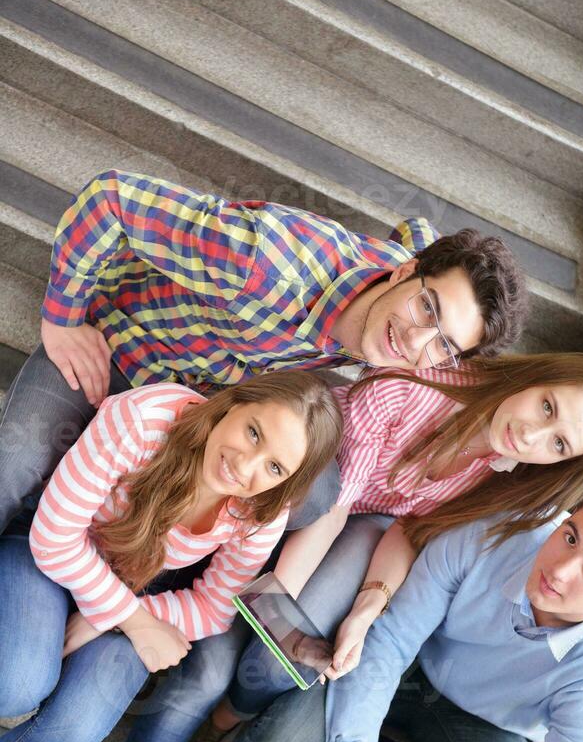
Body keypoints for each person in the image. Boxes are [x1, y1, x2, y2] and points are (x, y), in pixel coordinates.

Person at [8, 355, 583, 742]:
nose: (534, 436)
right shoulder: (502, 526)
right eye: (548, 407)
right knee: (269, 688)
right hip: (387, 623)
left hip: (475, 714)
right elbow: (374, 605)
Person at [153, 350, 583, 742]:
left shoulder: (506, 478)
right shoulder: (421, 386)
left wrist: (369, 606)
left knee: (286, 663)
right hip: (301, 498)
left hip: (366, 533)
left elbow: (408, 530)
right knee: (256, 647)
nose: (533, 434)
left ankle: (219, 728)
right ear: (539, 376)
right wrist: (277, 601)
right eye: (547, 407)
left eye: (558, 445)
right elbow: (334, 507)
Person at [0, 169, 526, 535]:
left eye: (446, 345)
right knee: (14, 464)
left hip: (205, 410)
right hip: (118, 348)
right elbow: (110, 197)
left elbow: (420, 238)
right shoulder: (263, 259)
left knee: (313, 498)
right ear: (407, 272)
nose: (416, 342)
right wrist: (63, 317)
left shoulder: (400, 326)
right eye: (428, 309)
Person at [0, 370, 341, 742]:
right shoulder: (146, 419)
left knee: (75, 731)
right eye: (253, 432)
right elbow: (54, 537)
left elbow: (216, 606)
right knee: (17, 683)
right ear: (234, 403)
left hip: (137, 588)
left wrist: (112, 614)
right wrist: (130, 619)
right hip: (50, 557)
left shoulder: (260, 510)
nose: (245, 466)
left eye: (275, 467)